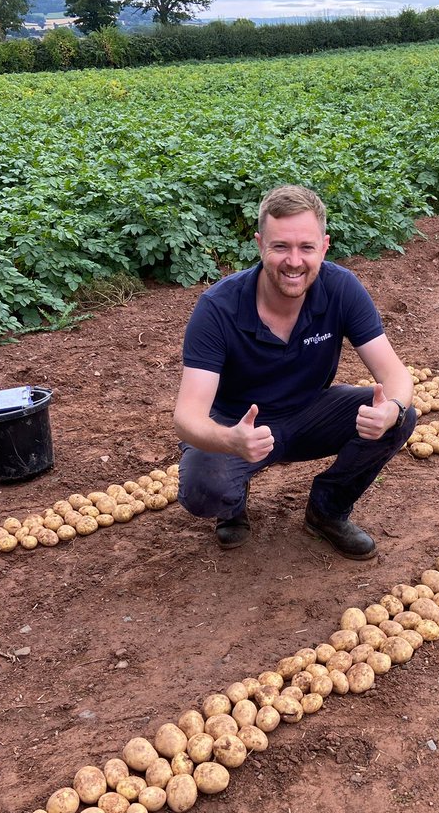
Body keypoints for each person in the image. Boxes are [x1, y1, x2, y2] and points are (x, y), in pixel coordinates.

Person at [173, 185, 417, 560]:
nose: (294, 261)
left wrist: (392, 409)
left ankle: (327, 511)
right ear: (260, 245)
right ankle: (232, 505)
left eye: (306, 247)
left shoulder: (341, 288)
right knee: (205, 489)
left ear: (324, 247)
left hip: (309, 413)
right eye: (281, 246)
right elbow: (187, 416)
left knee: (401, 417)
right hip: (239, 423)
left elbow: (396, 375)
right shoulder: (218, 308)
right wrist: (231, 441)